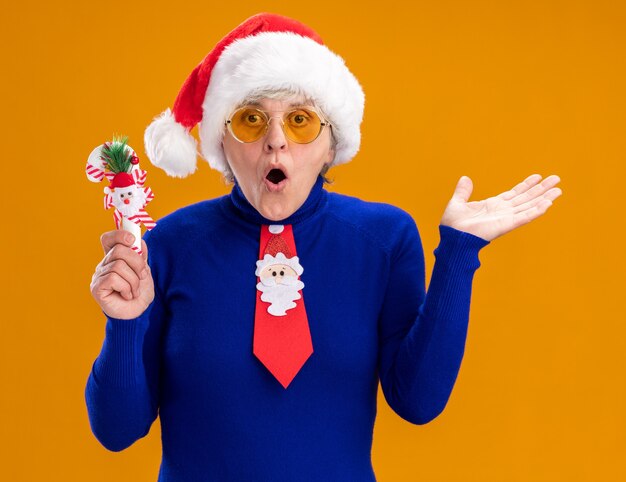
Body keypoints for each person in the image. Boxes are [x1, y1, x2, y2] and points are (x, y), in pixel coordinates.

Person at [85, 13, 562, 482]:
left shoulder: (385, 240)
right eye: (251, 120)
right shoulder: (169, 245)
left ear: (331, 144)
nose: (276, 143)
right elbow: (117, 430)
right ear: (220, 143)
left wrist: (459, 254)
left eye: (300, 121)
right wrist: (124, 323)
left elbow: (417, 403)